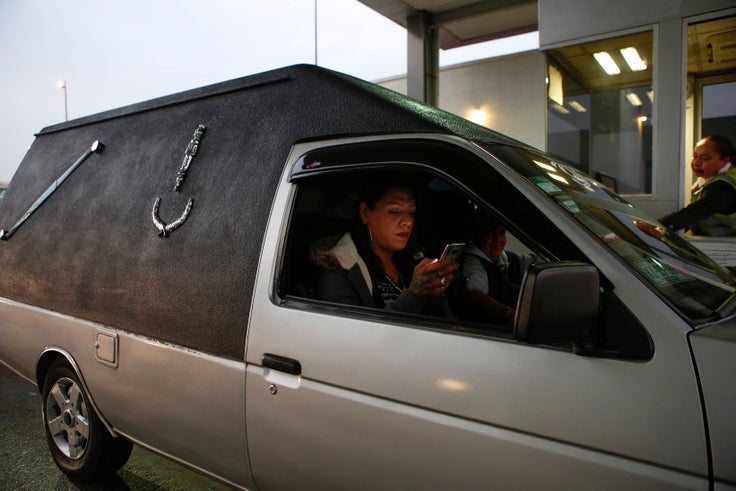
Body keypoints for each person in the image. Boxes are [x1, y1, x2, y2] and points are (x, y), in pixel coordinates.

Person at [310, 173, 457, 315]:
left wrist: (434, 292)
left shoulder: (414, 260)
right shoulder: (340, 268)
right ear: (365, 213)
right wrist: (413, 296)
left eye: (411, 212)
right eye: (394, 211)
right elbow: (356, 336)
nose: (408, 221)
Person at [451, 214, 533, 324]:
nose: (498, 239)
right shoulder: (471, 262)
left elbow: (536, 264)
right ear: (477, 236)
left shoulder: (509, 258)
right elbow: (475, 294)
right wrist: (509, 313)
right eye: (490, 233)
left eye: (502, 232)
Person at [659, 135, 736, 236]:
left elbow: (697, 211)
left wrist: (658, 227)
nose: (696, 163)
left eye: (704, 158)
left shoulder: (723, 185)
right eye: (695, 156)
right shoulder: (705, 181)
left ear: (724, 161)